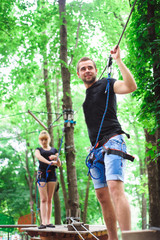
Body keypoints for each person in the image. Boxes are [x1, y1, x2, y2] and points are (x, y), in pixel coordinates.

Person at [77, 46, 137, 240]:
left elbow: (130, 87)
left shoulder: (107, 84)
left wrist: (118, 61)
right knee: (103, 198)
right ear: (79, 74)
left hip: (113, 141)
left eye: (90, 67)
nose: (87, 70)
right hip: (95, 150)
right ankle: (113, 238)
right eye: (83, 68)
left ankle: (128, 237)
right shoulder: (86, 99)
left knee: (114, 188)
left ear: (95, 70)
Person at [35, 130, 61, 229]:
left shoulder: (54, 150)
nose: (44, 141)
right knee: (43, 199)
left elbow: (59, 164)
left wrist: (56, 158)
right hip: (42, 174)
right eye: (42, 140)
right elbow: (38, 157)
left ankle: (49, 221)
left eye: (45, 139)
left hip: (52, 175)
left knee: (50, 199)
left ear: (48, 139)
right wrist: (48, 162)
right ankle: (44, 222)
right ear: (40, 140)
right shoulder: (38, 149)